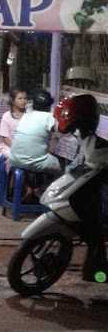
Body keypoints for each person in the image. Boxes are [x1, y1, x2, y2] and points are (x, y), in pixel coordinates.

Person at [56, 93, 108, 281]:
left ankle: (98, 270)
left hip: (100, 174)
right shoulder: (87, 130)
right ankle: (96, 269)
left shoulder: (100, 127)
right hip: (94, 172)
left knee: (98, 216)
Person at [9, 89, 61, 174]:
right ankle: (47, 186)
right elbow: (61, 129)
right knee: (62, 167)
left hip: (14, 159)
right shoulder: (49, 117)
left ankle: (32, 184)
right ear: (49, 105)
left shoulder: (26, 115)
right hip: (34, 162)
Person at [0, 89, 28, 163]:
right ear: (13, 101)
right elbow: (5, 138)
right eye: (20, 98)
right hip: (8, 147)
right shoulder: (6, 116)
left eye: (25, 98)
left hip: (26, 147)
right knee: (16, 158)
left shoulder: (29, 115)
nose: (23, 101)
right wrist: (17, 149)